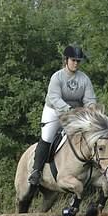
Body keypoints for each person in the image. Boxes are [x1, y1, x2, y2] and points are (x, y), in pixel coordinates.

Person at [28, 45, 97, 186]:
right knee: (47, 136)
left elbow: (90, 100)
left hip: (75, 113)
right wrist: (70, 109)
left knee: (89, 135)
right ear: (66, 60)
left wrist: (91, 111)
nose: (76, 63)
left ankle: (94, 169)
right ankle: (36, 171)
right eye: (73, 60)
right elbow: (55, 98)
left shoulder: (84, 79)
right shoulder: (57, 77)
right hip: (54, 111)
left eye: (78, 61)